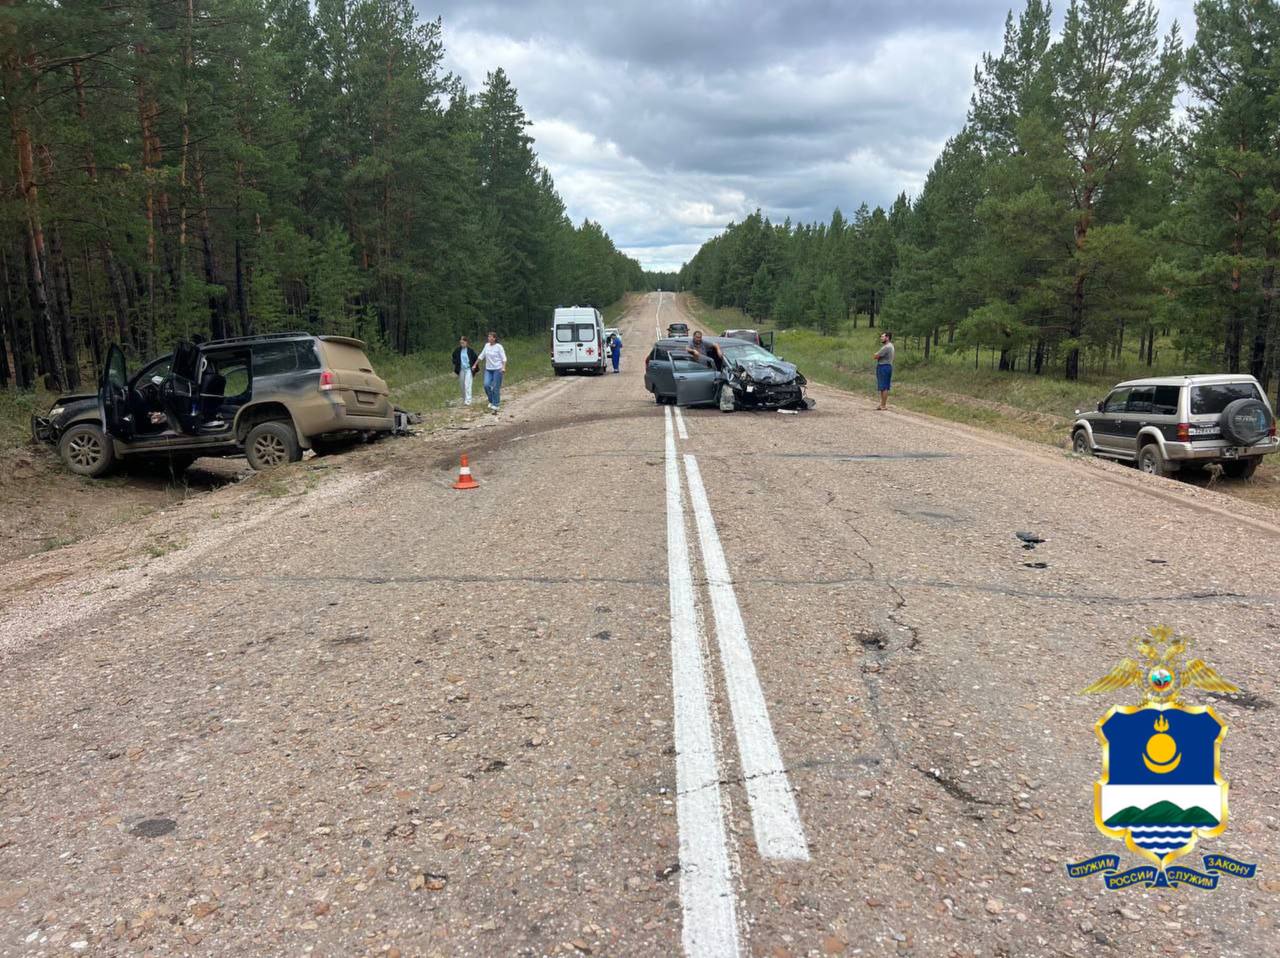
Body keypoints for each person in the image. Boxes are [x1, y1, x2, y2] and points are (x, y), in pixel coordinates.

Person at [473, 331, 508, 412]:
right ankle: (491, 401)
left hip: (497, 369)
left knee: (496, 387)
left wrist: (503, 368)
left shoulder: (499, 347)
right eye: (488, 337)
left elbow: (504, 358)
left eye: (490, 337)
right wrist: (475, 364)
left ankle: (496, 404)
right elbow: (481, 355)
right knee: (486, 385)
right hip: (488, 369)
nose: (488, 338)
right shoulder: (486, 345)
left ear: (494, 338)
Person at [451, 336, 477, 406]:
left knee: (467, 384)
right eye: (460, 343)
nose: (461, 344)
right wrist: (456, 363)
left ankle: (468, 400)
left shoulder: (470, 351)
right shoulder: (457, 350)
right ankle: (464, 399)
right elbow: (453, 357)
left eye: (463, 343)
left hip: (469, 369)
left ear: (466, 342)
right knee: (462, 385)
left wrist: (475, 368)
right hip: (461, 370)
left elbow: (475, 359)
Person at [873, 330, 895, 410]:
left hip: (884, 367)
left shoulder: (887, 347)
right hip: (885, 366)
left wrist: (876, 355)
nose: (881, 338)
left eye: (883, 336)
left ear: (887, 337)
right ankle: (882, 404)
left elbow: (875, 356)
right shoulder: (889, 346)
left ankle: (883, 405)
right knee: (882, 386)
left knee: (884, 386)